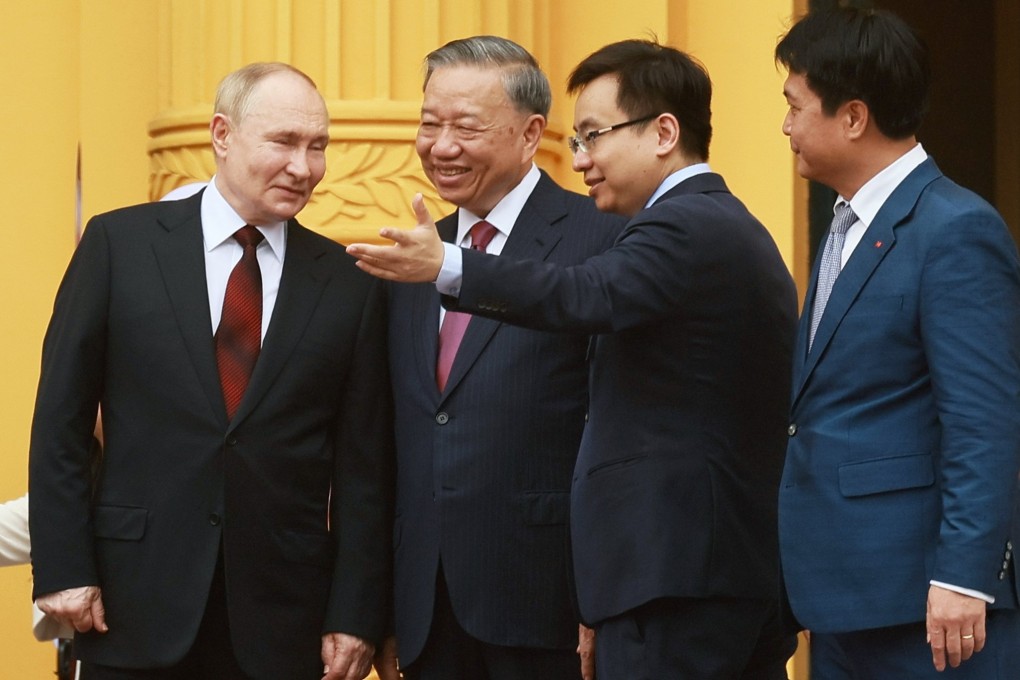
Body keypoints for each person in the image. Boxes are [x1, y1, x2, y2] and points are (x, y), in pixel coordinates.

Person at [348, 39, 798, 679]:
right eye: (430, 124)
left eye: (593, 137)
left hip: (659, 582)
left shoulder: (672, 227)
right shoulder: (700, 223)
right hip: (625, 584)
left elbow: (585, 294)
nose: (581, 157)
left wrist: (449, 266)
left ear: (663, 133)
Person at [29, 62, 394, 680]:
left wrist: (355, 613)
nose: (304, 167)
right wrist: (64, 567)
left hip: (284, 618)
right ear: (222, 134)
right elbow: (61, 419)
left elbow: (365, 470)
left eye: (318, 146)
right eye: (284, 142)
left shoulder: (350, 283)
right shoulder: (119, 245)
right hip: (130, 602)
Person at [774, 7, 1020, 679]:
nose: (786, 126)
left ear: (854, 117)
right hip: (845, 602)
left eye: (795, 106)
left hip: (931, 612)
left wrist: (965, 576)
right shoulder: (846, 226)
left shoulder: (955, 229)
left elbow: (984, 421)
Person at [374, 36, 623, 680]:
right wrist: (382, 609)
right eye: (429, 124)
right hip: (427, 609)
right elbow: (394, 439)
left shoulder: (603, 238)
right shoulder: (413, 255)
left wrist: (605, 596)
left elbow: (622, 429)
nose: (441, 147)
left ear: (530, 133)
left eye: (465, 128)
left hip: (550, 602)